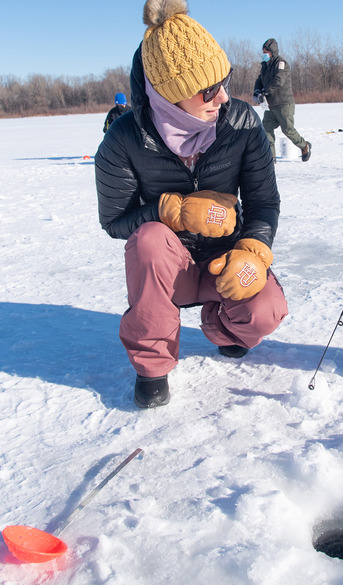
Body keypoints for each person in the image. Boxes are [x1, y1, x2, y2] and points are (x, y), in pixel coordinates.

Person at [95, 0, 288, 408]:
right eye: (208, 89)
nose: (223, 97)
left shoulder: (241, 123)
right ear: (168, 95)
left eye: (225, 80)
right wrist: (172, 212)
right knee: (148, 240)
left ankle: (223, 328)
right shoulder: (125, 140)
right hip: (172, 265)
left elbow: (263, 201)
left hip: (223, 260)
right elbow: (115, 221)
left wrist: (253, 250)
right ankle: (152, 365)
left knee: (266, 308)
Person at [253, 38, 311, 162]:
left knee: (288, 130)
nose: (264, 54)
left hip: (284, 104)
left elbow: (279, 80)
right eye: (263, 51)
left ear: (272, 52)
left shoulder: (281, 63)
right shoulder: (265, 66)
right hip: (270, 106)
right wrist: (257, 91)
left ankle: (304, 145)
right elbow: (259, 80)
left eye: (266, 52)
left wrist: (265, 91)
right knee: (266, 129)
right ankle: (270, 157)